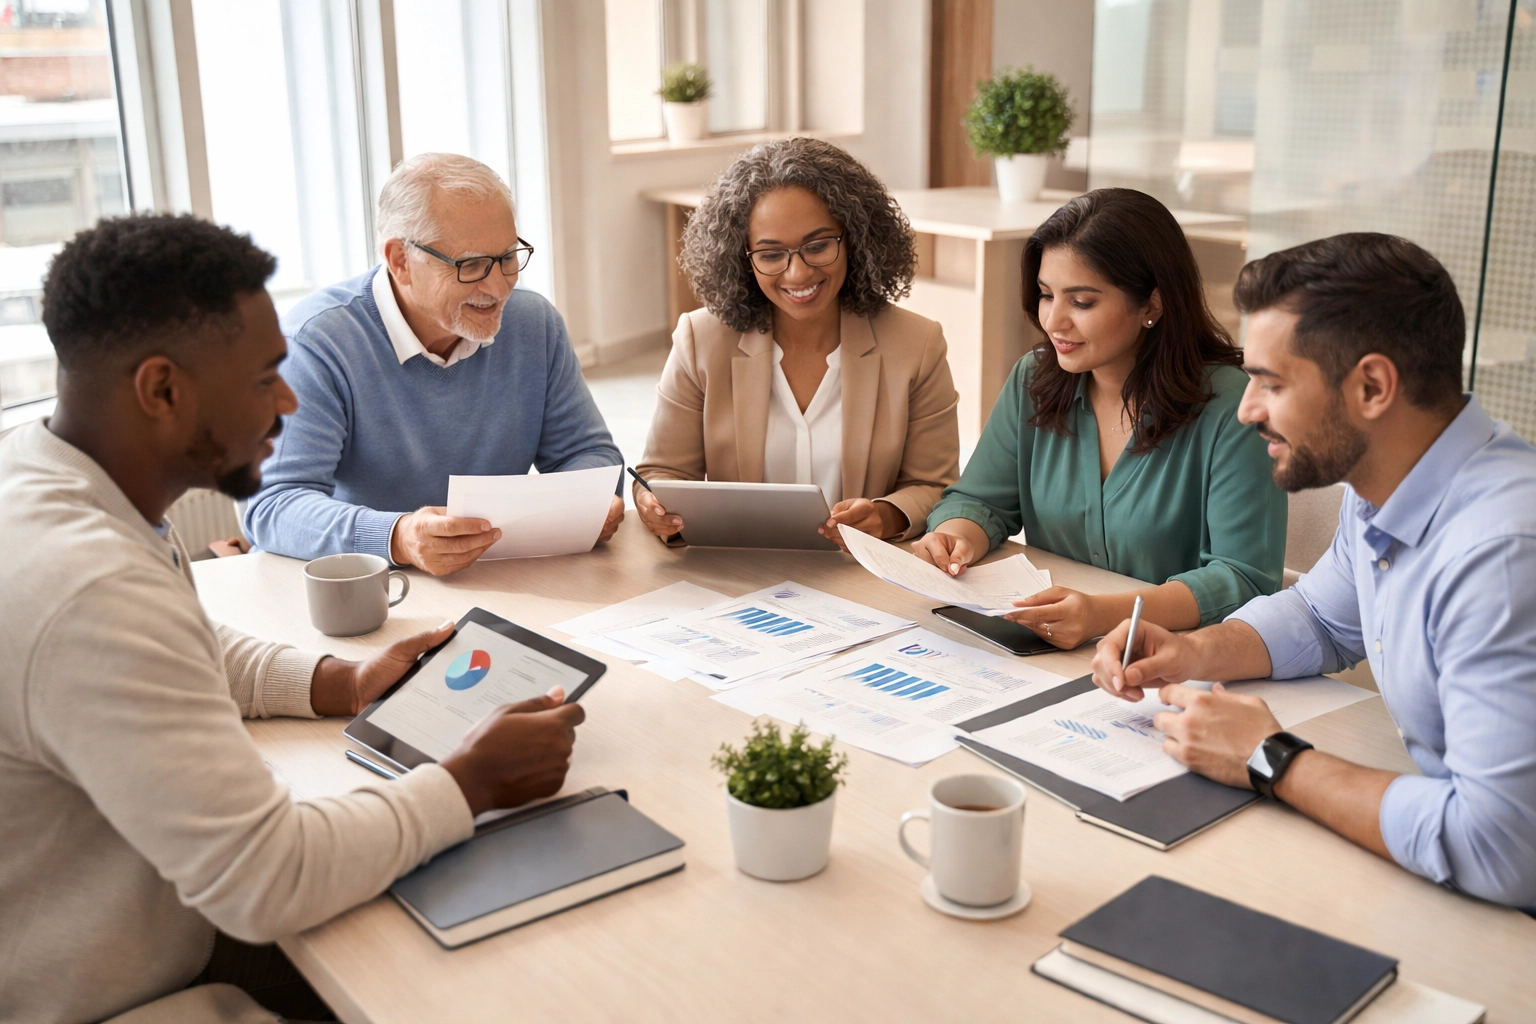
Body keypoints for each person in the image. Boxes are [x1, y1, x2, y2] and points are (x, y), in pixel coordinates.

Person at [0, 214, 586, 1023]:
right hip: (110, 992)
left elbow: (173, 640)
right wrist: (468, 781)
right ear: (162, 390)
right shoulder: (88, 585)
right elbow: (267, 877)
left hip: (146, 921)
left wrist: (338, 681)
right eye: (264, 377)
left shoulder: (41, 472)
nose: (288, 401)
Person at [1091, 234, 1536, 910]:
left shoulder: (1499, 555)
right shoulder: (1389, 482)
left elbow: (1499, 848)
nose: (1246, 410)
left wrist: (1273, 759)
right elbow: (1320, 617)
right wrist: (1190, 651)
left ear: (1372, 387)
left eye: (1271, 382)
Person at [912, 189, 1286, 648]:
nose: (1054, 322)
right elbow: (982, 501)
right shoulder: (1034, 378)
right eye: (1047, 296)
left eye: (1082, 302)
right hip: (1050, 648)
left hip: (1177, 662)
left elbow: (1244, 580)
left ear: (1151, 304)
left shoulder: (1233, 409)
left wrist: (1102, 615)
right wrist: (955, 537)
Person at [244, 153, 624, 576]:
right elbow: (272, 505)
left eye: (507, 258)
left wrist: (587, 503)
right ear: (401, 261)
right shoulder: (316, 342)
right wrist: (399, 537)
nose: (498, 287)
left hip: (495, 579)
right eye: (471, 265)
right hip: (363, 587)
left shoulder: (534, 324)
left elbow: (588, 454)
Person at [634, 138, 960, 548]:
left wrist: (885, 514)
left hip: (860, 578)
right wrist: (653, 505)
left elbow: (936, 485)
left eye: (818, 246)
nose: (797, 273)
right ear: (741, 258)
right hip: (739, 574)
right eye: (771, 255)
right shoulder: (700, 340)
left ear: (855, 238)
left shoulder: (917, 345)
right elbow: (661, 473)